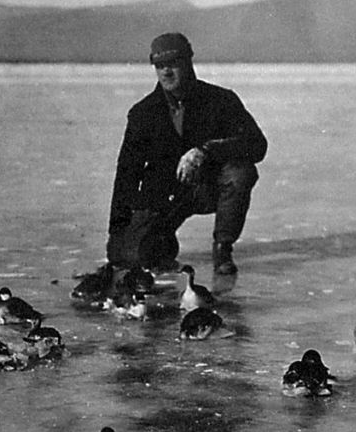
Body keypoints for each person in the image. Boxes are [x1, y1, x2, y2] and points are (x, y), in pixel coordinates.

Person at [106, 32, 267, 275]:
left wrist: (205, 151)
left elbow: (257, 145)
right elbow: (127, 174)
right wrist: (117, 231)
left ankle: (223, 247)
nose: (166, 72)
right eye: (160, 66)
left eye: (173, 64)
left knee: (240, 172)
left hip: (208, 187)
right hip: (165, 196)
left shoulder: (221, 100)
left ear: (188, 62)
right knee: (131, 256)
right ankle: (161, 242)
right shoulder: (143, 113)